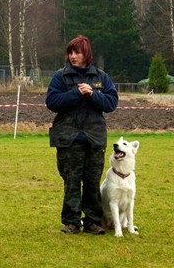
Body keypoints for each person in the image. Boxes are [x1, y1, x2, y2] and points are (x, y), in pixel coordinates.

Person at [46, 35, 118, 235]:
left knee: (92, 181)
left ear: (86, 54)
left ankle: (93, 221)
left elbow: (111, 103)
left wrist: (93, 95)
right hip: (68, 138)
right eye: (70, 52)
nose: (73, 56)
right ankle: (71, 222)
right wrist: (76, 93)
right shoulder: (60, 77)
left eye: (77, 52)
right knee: (71, 181)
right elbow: (52, 102)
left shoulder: (101, 77)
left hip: (94, 138)